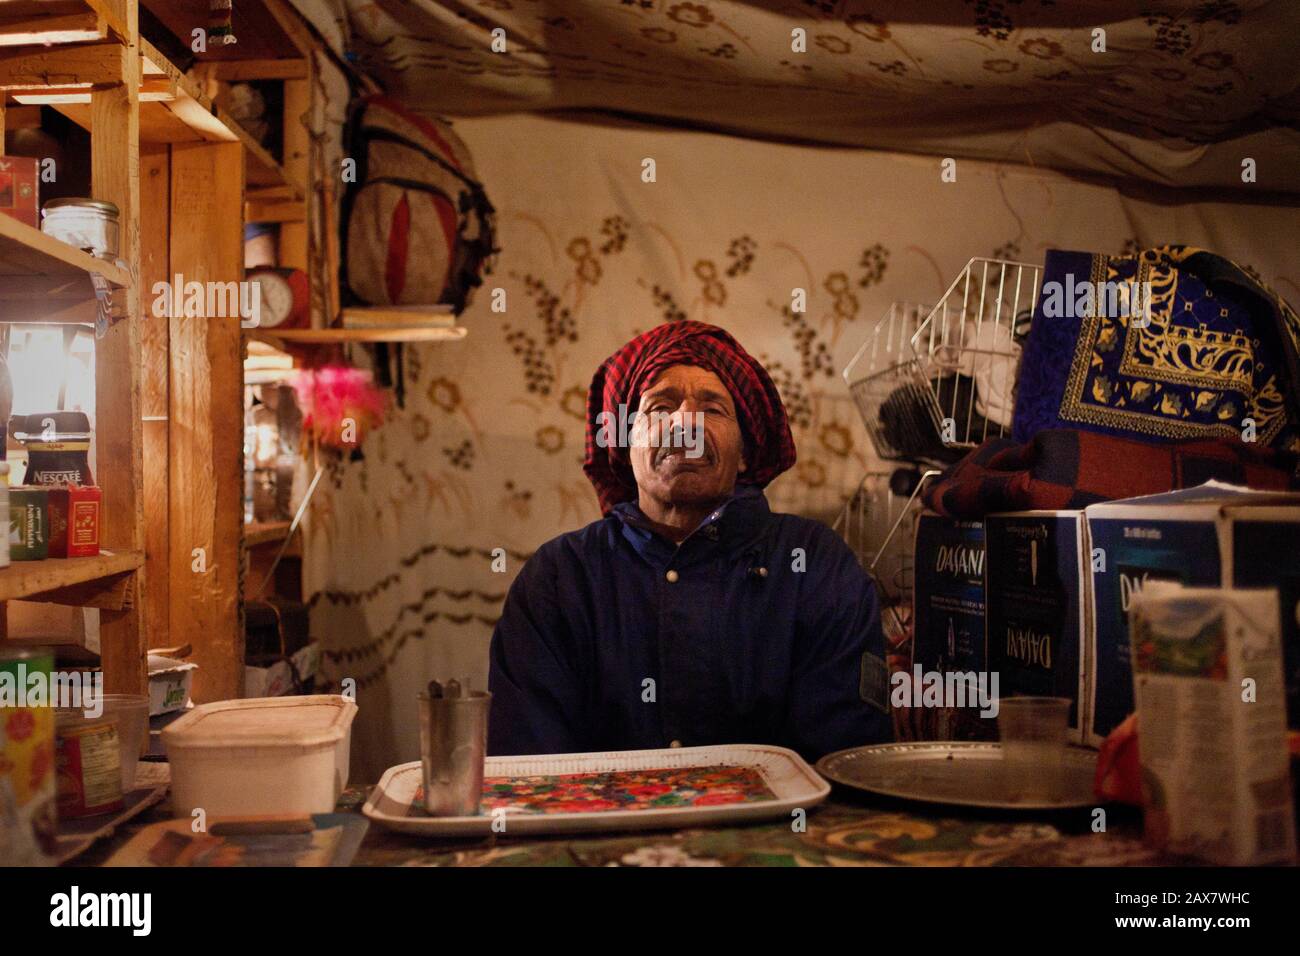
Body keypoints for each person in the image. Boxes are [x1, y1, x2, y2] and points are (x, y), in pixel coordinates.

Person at [488, 320, 892, 760]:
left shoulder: (816, 566)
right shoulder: (558, 579)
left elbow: (844, 763)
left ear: (744, 454)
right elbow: (526, 770)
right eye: (659, 408)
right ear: (624, 448)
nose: (684, 422)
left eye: (713, 409)